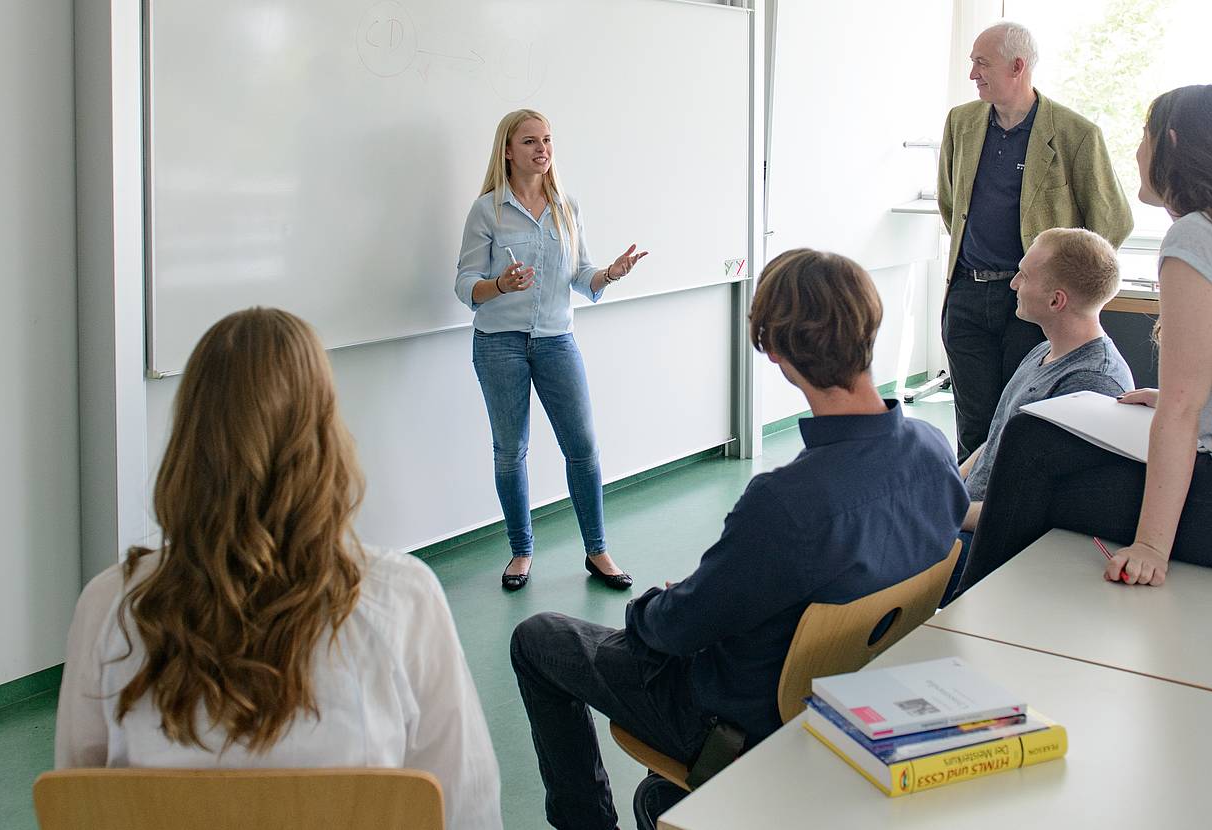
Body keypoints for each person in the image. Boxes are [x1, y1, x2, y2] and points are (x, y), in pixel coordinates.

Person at [509, 250, 968, 830]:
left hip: (739, 716)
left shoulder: (786, 503)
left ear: (774, 353)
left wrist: (650, 605)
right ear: (870, 326)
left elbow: (675, 631)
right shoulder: (932, 449)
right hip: (844, 695)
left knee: (538, 638)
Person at [53, 308, 502, 830]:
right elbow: (469, 812)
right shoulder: (402, 601)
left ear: (189, 444)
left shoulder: (111, 608)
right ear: (325, 439)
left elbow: (77, 805)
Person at [954, 82, 1212, 595]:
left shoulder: (1198, 235)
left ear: (1171, 141)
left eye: (1144, 137)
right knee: (1044, 444)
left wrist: (1151, 545)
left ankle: (964, 616)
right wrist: (1190, 403)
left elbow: (1180, 411)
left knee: (1034, 452)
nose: (1137, 152)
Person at [455, 109, 648, 592]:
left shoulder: (567, 206)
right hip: (499, 343)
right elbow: (464, 285)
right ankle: (521, 552)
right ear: (507, 151)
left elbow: (580, 275)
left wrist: (609, 274)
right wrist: (499, 284)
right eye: (529, 142)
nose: (542, 149)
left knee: (582, 448)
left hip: (556, 340)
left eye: (547, 140)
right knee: (510, 451)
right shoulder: (487, 210)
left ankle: (597, 551)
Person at [939, 20, 1133, 458]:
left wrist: (1069, 284)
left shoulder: (1075, 134)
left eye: (981, 63)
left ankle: (1012, 520)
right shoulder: (961, 123)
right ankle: (970, 520)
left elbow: (1111, 221)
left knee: (1022, 422)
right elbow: (951, 205)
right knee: (973, 422)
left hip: (1034, 301)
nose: (973, 74)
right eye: (972, 63)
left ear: (1017, 66)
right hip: (968, 293)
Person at [943, 227, 1133, 605]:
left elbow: (1041, 508)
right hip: (967, 517)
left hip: (994, 541)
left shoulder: (1091, 381)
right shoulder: (1043, 351)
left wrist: (946, 510)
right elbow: (997, 438)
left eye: (1024, 275)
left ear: (1056, 300)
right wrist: (949, 480)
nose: (1013, 283)